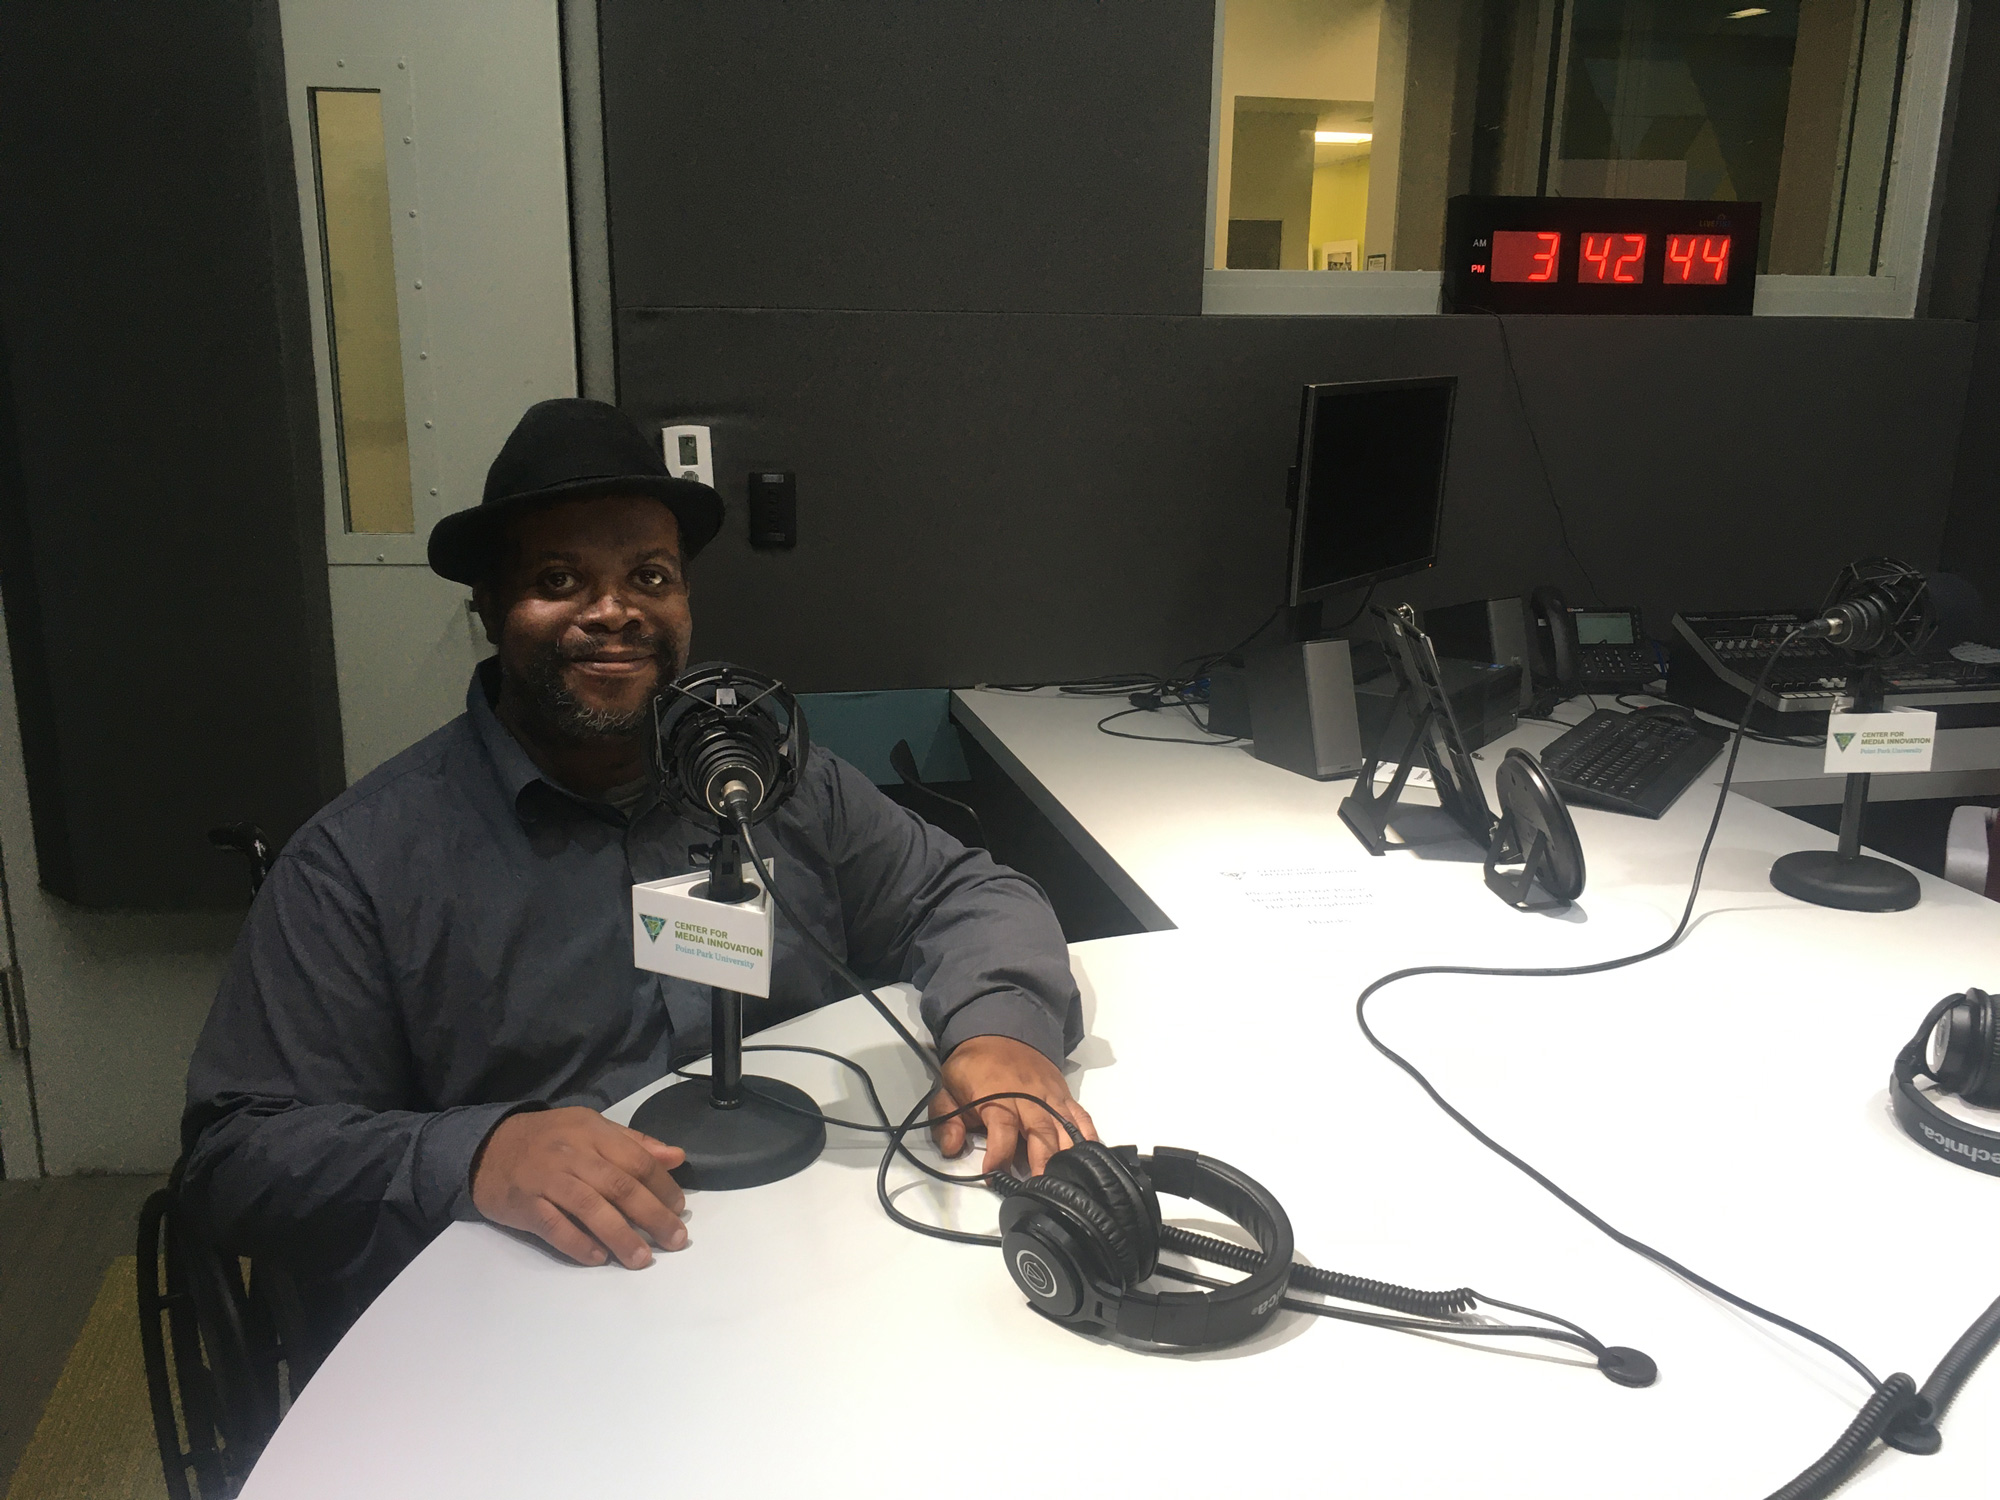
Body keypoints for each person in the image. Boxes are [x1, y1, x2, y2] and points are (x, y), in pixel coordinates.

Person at [181, 398, 1094, 1323]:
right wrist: (477, 1153)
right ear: (490, 609)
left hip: (808, 1270)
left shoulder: (776, 782)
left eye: (650, 576)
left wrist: (1001, 1032)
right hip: (544, 1300)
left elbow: (966, 893)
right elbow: (237, 1155)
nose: (613, 612)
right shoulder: (362, 861)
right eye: (560, 579)